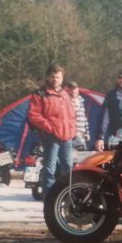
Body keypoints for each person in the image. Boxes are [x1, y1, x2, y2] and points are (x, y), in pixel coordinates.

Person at [27, 64, 76, 198]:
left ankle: (68, 198)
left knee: (68, 169)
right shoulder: (40, 93)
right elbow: (33, 115)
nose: (55, 79)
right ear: (48, 77)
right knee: (49, 170)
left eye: (58, 77)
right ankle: (49, 201)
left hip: (66, 137)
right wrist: (50, 128)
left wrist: (72, 129)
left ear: (62, 78)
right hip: (50, 137)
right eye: (53, 77)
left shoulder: (65, 94)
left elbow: (72, 115)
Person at [64, 81, 89, 149]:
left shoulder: (81, 101)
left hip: (82, 136)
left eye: (74, 88)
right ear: (68, 90)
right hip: (71, 136)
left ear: (78, 89)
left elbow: (85, 119)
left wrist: (87, 133)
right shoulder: (65, 102)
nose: (73, 91)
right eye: (71, 89)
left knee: (83, 154)